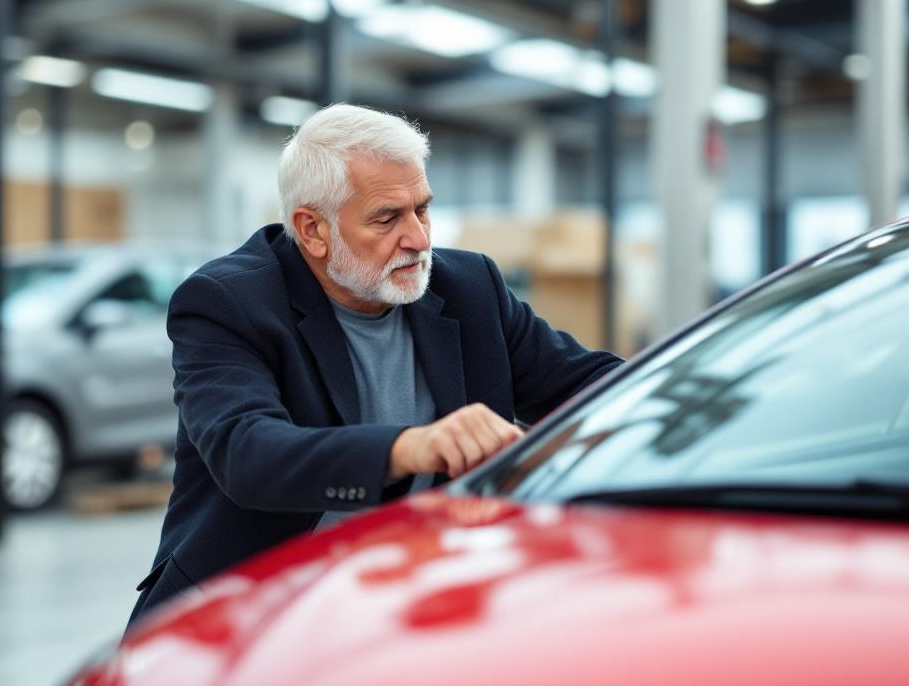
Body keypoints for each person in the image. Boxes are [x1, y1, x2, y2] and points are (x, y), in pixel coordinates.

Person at [127, 104, 623, 626]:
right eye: (387, 218)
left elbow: (591, 384)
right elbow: (247, 454)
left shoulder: (470, 288)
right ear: (313, 229)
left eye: (423, 210)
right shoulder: (226, 303)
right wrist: (411, 446)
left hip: (418, 599)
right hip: (250, 612)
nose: (419, 239)